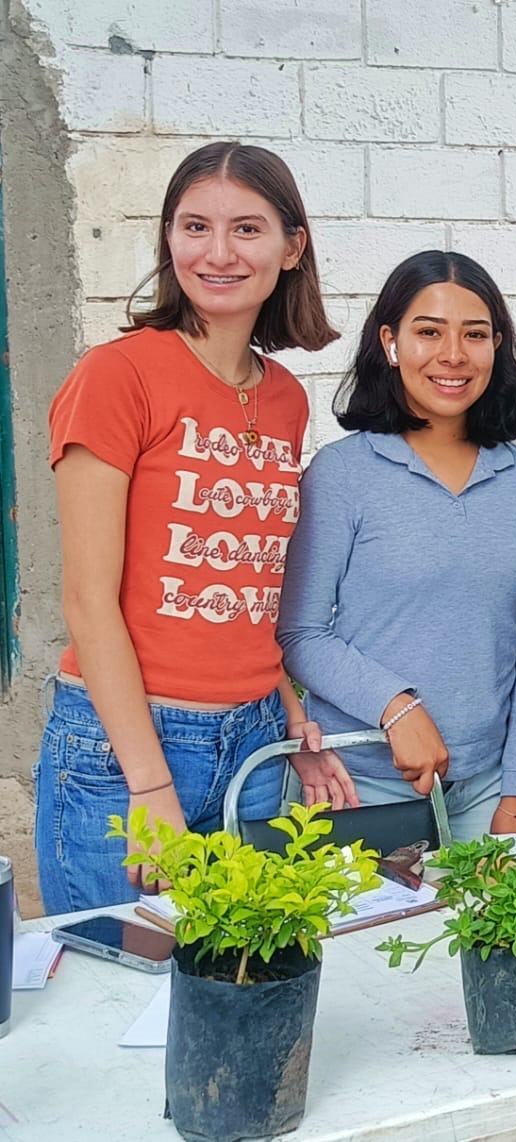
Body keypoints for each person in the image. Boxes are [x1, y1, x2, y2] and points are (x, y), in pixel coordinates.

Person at [36, 141, 350, 915]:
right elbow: (87, 600)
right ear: (168, 238)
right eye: (193, 226)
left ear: (291, 247)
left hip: (252, 739)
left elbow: (248, 588)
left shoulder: (283, 398)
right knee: (118, 994)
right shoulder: (116, 376)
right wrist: (148, 782)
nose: (217, 252)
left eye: (246, 229)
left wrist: (291, 715)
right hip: (123, 746)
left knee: (229, 990)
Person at [278, 250, 516, 841]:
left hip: (488, 789)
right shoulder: (342, 473)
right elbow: (299, 634)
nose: (452, 355)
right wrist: (395, 706)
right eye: (428, 332)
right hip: (359, 784)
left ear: (498, 345)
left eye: (475, 334)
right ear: (390, 341)